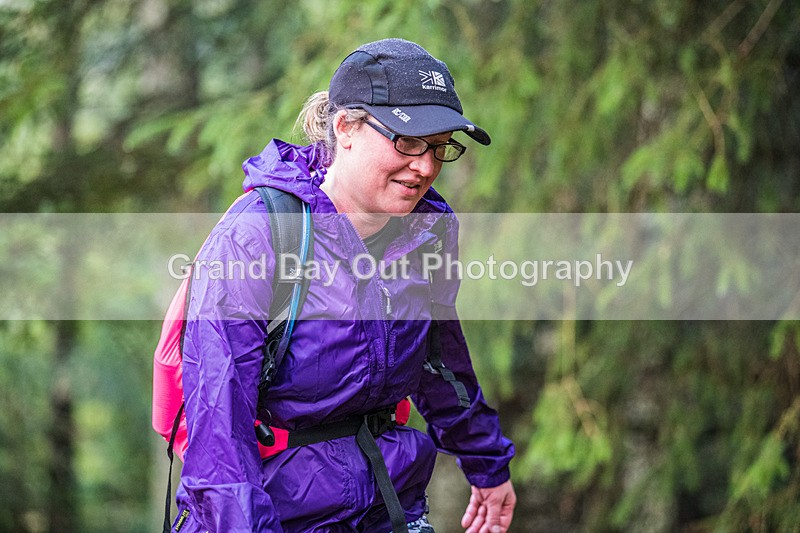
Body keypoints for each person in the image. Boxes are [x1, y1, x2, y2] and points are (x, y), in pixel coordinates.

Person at [173, 38, 516, 533]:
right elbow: (219, 423)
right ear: (346, 127)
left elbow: (439, 360)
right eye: (408, 140)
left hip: (390, 505)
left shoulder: (426, 229)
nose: (425, 165)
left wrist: (487, 463)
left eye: (441, 147)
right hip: (276, 515)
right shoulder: (259, 236)